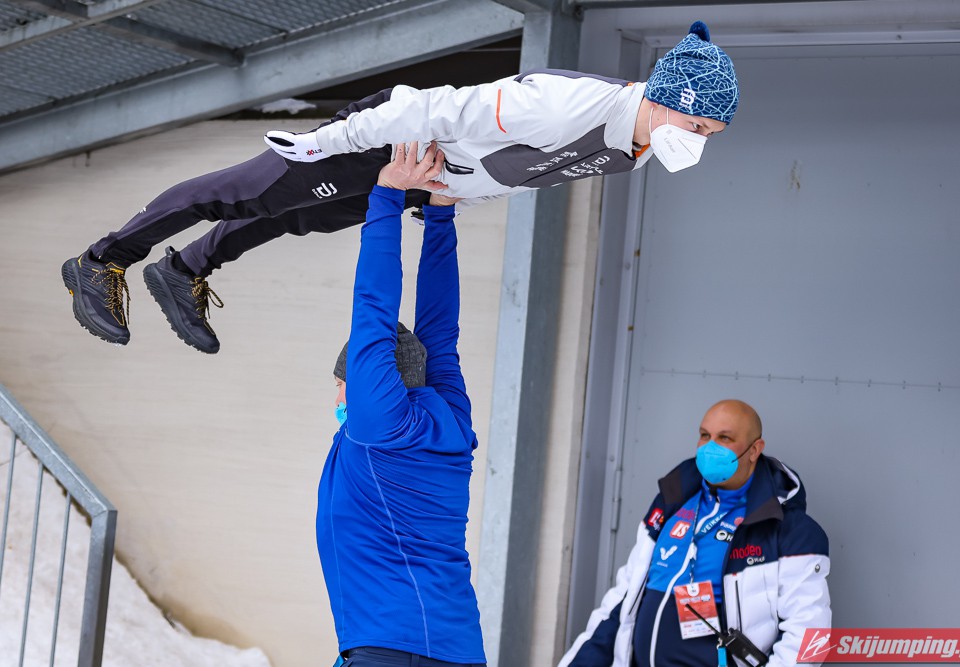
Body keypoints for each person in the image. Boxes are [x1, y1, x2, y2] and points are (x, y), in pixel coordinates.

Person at [61, 21, 739, 354]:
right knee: (243, 192)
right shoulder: (567, 104)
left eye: (710, 133)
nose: (699, 141)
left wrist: (452, 195)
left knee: (295, 216)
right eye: (698, 125)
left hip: (425, 176)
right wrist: (330, 141)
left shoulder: (636, 149)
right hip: (393, 140)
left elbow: (534, 171)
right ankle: (100, 259)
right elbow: (437, 106)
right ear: (667, 97)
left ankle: (184, 270)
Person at [315, 142, 485, 667]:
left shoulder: (378, 424)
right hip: (449, 647)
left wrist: (388, 195)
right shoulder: (448, 418)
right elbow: (440, 328)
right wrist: (441, 214)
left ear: (366, 381)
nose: (338, 397)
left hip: (390, 649)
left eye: (341, 383)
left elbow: (374, 306)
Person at [560, 400, 831, 667]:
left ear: (754, 450)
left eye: (724, 438)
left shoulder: (788, 528)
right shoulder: (672, 500)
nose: (710, 447)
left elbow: (809, 632)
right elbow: (624, 599)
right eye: (704, 435)